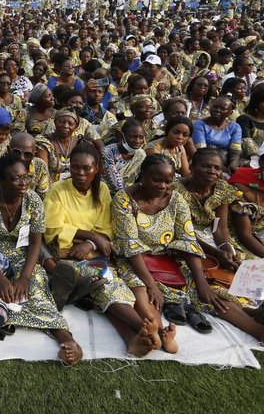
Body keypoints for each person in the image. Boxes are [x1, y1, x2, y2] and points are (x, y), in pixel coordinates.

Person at [112, 154, 264, 344]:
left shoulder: (176, 199)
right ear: (142, 175)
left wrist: (201, 284)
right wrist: (151, 284)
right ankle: (157, 333)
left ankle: (257, 330)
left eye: (168, 181)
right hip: (134, 261)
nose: (163, 186)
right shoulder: (124, 200)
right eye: (156, 180)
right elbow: (131, 246)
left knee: (209, 294)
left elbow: (187, 239)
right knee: (146, 292)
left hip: (169, 258)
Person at [43, 142, 160, 357]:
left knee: (104, 286)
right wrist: (90, 236)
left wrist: (91, 243)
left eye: (86, 168)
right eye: (75, 167)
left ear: (97, 169)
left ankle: (134, 339)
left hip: (92, 252)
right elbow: (53, 228)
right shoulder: (58, 189)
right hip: (67, 251)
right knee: (101, 283)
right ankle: (144, 327)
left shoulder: (102, 189)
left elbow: (107, 227)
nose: (80, 173)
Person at [0, 153, 82, 364]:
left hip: (23, 253)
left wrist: (25, 277)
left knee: (37, 286)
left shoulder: (33, 200)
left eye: (26, 177)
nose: (23, 183)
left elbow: (35, 242)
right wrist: (0, 276)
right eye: (16, 178)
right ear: (1, 181)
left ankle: (68, 342)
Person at [174, 148, 241, 271]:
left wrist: (225, 247)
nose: (212, 171)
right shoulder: (175, 189)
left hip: (211, 238)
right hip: (183, 240)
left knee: (239, 263)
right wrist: (215, 253)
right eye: (206, 166)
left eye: (217, 168)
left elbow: (220, 228)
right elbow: (180, 231)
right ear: (192, 168)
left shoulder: (221, 189)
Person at [193, 96, 242, 173]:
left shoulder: (235, 127)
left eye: (223, 108)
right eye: (215, 107)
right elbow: (201, 150)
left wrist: (233, 164)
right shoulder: (200, 124)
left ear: (230, 113)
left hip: (226, 161)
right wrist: (220, 168)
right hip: (205, 162)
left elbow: (235, 150)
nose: (217, 110)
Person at [102, 119, 147, 195]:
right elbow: (115, 183)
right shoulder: (108, 152)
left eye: (141, 137)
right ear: (123, 136)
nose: (137, 141)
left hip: (127, 192)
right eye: (133, 136)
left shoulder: (141, 155)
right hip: (106, 193)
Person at [36, 108, 80, 182]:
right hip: (50, 186)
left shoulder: (79, 143)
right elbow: (44, 173)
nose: (65, 126)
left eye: (70, 124)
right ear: (55, 122)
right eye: (61, 122)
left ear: (75, 126)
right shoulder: (44, 142)